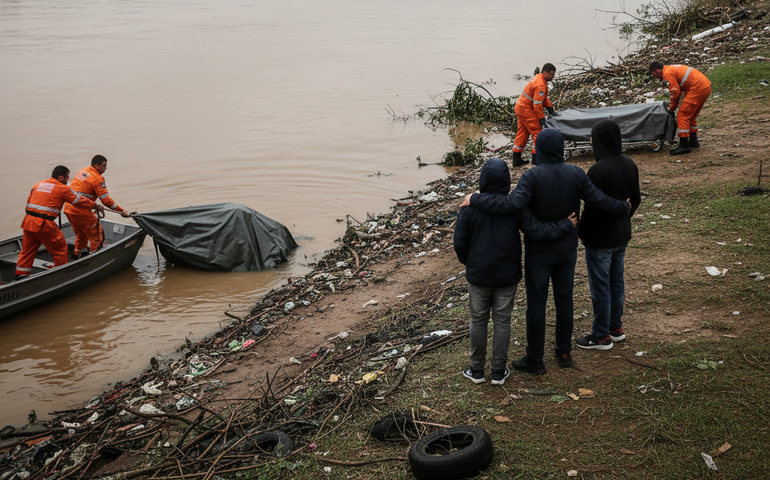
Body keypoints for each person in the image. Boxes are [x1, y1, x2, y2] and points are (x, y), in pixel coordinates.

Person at [460, 129, 631, 375]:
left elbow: (511, 204)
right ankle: (564, 352)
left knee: (537, 306)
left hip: (539, 253)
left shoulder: (532, 176)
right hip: (567, 251)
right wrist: (622, 206)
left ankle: (535, 358)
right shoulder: (576, 173)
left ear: (539, 149)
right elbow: (599, 200)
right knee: (565, 301)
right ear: (560, 149)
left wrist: (475, 199)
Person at [454, 158, 577, 385]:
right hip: (507, 275)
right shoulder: (514, 208)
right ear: (506, 180)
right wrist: (565, 225)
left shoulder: (469, 208)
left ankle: (477, 370)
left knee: (478, 321)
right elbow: (537, 230)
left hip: (478, 275)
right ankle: (498, 371)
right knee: (502, 322)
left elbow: (460, 243)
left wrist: (469, 263)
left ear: (483, 179)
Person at [576, 120, 641, 350]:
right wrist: (624, 216)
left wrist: (582, 233)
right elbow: (635, 199)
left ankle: (601, 336)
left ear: (599, 141)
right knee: (616, 283)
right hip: (621, 236)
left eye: (592, 138)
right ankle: (615, 328)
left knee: (601, 287)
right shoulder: (629, 164)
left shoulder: (597, 171)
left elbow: (592, 209)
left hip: (600, 240)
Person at [15, 166, 95, 279]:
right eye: (67, 178)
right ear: (61, 177)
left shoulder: (38, 185)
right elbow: (77, 200)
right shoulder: (62, 188)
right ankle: (61, 275)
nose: (67, 180)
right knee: (60, 249)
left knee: (27, 250)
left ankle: (21, 275)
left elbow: (29, 205)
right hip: (44, 224)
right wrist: (94, 204)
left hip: (28, 222)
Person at [63, 155, 130, 258]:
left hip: (69, 209)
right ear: (97, 166)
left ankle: (78, 255)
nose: (106, 168)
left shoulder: (82, 171)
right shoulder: (98, 179)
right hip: (81, 211)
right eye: (104, 165)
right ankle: (94, 258)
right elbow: (106, 200)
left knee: (81, 234)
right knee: (97, 236)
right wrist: (122, 211)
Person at [649, 61, 712, 155]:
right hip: (705, 87)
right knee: (691, 116)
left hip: (697, 88)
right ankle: (693, 141)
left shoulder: (667, 73)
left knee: (682, 115)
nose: (656, 78)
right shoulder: (671, 68)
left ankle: (684, 145)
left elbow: (675, 92)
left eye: (655, 75)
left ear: (657, 71)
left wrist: (672, 108)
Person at [512, 63, 557, 167]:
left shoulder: (539, 78)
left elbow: (542, 98)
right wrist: (541, 118)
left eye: (553, 74)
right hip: (526, 109)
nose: (552, 76)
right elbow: (538, 104)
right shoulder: (540, 84)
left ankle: (516, 159)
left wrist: (550, 108)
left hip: (520, 107)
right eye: (550, 74)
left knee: (523, 132)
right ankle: (536, 159)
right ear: (544, 73)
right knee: (538, 132)